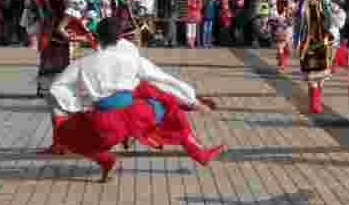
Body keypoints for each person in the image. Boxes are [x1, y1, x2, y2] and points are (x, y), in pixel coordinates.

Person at [47, 17, 225, 180]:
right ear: (119, 38)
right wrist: (192, 101)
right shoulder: (130, 58)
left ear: (96, 37)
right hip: (137, 114)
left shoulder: (82, 63)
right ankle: (194, 150)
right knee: (166, 103)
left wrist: (80, 104)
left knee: (64, 135)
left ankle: (105, 158)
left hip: (104, 124)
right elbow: (162, 79)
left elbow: (56, 88)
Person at [293, 0, 346, 114]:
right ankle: (314, 103)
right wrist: (295, 40)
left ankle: (315, 101)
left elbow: (340, 14)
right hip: (307, 41)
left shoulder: (324, 0)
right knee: (310, 74)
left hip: (322, 41)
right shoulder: (301, 3)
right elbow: (297, 23)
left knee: (320, 76)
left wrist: (333, 24)